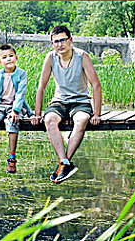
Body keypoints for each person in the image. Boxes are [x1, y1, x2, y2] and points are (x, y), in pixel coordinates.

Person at [31, 25, 102, 184]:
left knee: (82, 120)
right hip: (59, 101)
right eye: (56, 41)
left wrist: (97, 114)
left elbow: (96, 85)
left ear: (70, 40)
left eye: (63, 40)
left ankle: (64, 163)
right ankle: (65, 163)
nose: (60, 44)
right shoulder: (50, 58)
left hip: (80, 101)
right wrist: (36, 114)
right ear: (52, 43)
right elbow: (41, 87)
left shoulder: (82, 56)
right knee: (49, 120)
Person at [0, 44, 33, 174]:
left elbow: (20, 94)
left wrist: (15, 111)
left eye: (11, 56)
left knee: (11, 122)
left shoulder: (21, 74)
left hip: (15, 106)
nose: (8, 59)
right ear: (0, 61)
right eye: (5, 57)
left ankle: (12, 157)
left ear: (16, 58)